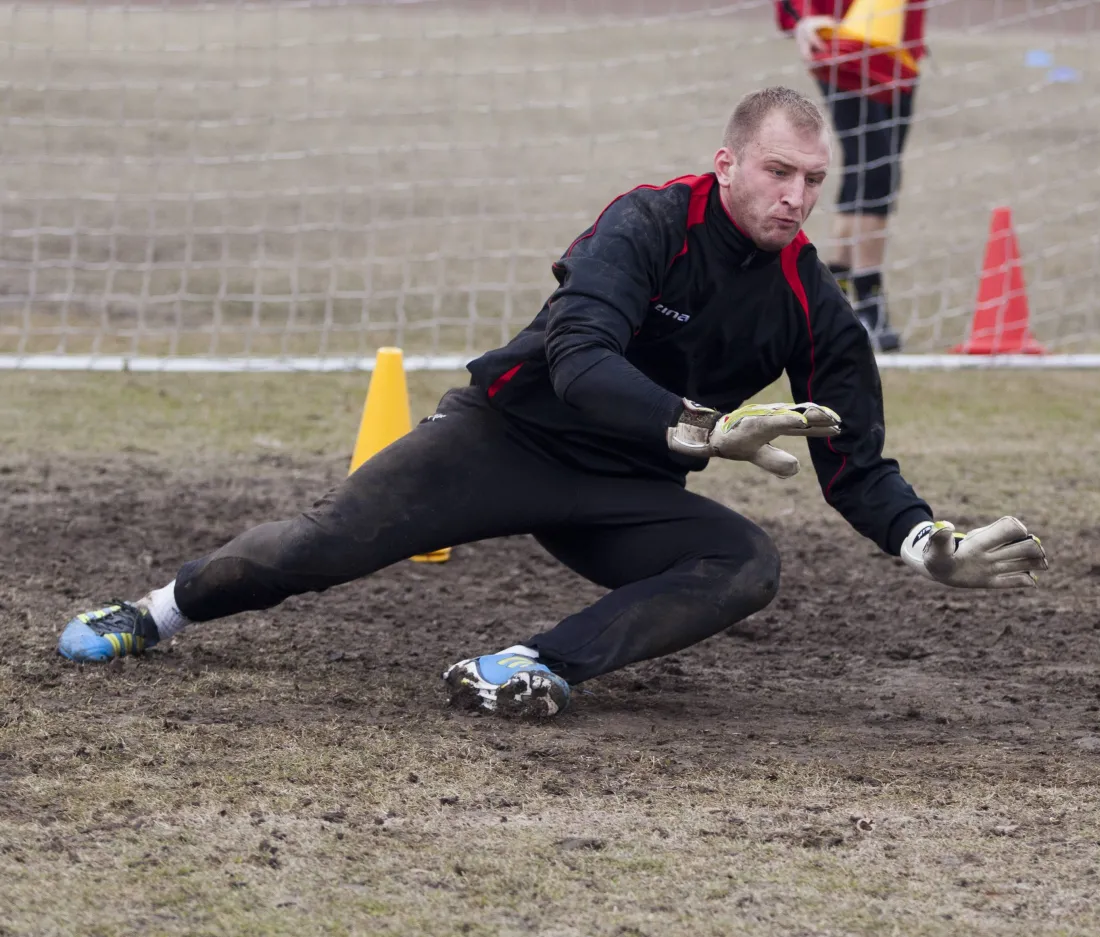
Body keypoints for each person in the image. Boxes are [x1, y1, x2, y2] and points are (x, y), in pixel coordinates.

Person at [56, 87, 1047, 718]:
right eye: (778, 172)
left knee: (744, 561)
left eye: (813, 180)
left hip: (619, 487)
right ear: (727, 164)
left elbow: (852, 458)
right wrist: (702, 429)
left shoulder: (809, 298)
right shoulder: (648, 221)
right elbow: (578, 359)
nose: (795, 196)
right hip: (505, 435)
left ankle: (528, 666)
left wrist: (925, 542)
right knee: (314, 549)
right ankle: (157, 610)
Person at [776, 0, 926, 351]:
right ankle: (869, 303)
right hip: (843, 43)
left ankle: (834, 291)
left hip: (900, 52)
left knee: (871, 168)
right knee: (876, 169)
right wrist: (803, 17)